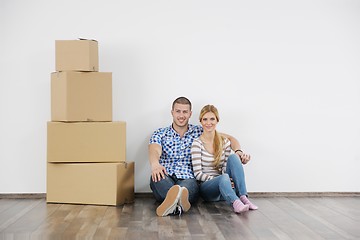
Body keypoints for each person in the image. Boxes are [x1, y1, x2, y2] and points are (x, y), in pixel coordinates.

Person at [149, 97, 243, 217]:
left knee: (185, 190)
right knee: (157, 178)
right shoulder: (160, 133)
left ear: (190, 114)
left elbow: (230, 139)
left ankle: (172, 203)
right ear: (172, 112)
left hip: (188, 178)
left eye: (185, 112)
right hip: (165, 173)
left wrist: (239, 151)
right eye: (178, 111)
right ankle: (179, 205)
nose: (181, 115)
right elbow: (154, 149)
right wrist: (155, 164)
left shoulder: (200, 132)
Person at [191, 104, 258, 213]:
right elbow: (197, 174)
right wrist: (222, 179)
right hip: (208, 189)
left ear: (217, 121)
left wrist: (228, 180)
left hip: (225, 187)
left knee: (234, 157)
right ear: (201, 122)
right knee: (223, 177)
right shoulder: (196, 144)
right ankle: (235, 203)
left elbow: (225, 165)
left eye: (212, 119)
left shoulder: (224, 142)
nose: (208, 123)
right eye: (205, 119)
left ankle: (243, 197)